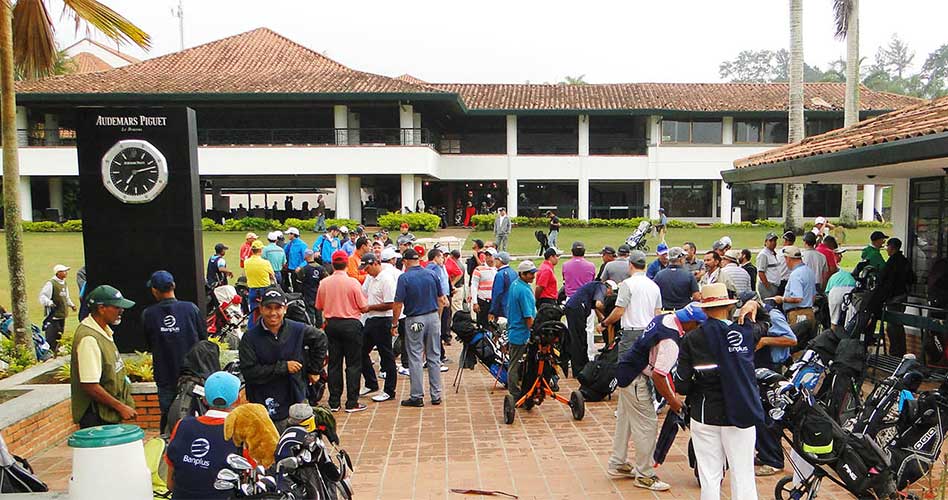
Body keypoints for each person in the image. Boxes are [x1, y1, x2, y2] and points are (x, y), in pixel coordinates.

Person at [675, 283, 764, 500]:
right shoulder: (745, 331)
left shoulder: (692, 339)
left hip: (705, 412)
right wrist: (755, 304)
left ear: (704, 310)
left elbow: (681, 385)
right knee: (743, 474)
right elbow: (767, 322)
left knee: (709, 476)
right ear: (729, 306)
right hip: (741, 411)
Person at [607, 304, 704, 490]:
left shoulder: (665, 319)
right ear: (692, 323)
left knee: (626, 421)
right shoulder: (671, 341)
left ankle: (618, 462)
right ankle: (645, 475)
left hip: (627, 369)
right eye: (700, 325)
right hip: (636, 377)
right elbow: (660, 375)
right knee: (647, 426)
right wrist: (673, 401)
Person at [241, 287, 327, 429]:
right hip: (264, 401)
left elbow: (320, 339)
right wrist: (283, 367)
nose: (273, 313)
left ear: (285, 309)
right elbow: (249, 372)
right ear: (261, 309)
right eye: (268, 308)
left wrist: (314, 370)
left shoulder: (297, 329)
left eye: (278, 308)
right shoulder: (250, 338)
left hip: (296, 396)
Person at [142, 271, 206, 431]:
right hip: (192, 377)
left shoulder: (149, 314)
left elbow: (148, 344)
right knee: (194, 416)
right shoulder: (191, 309)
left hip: (166, 377)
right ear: (174, 286)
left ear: (154, 290)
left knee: (168, 419)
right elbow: (203, 341)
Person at [164, 371, 243, 500]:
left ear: (204, 399)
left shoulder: (182, 425)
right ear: (238, 400)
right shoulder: (240, 431)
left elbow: (170, 484)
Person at [741, 296, 797, 477]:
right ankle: (764, 453)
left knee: (768, 415)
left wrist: (764, 341)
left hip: (771, 369)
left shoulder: (774, 316)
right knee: (758, 414)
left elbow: (791, 340)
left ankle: (773, 460)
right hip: (759, 368)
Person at [70, 285, 137, 428]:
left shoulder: (103, 331)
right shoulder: (89, 339)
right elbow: (90, 385)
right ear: (101, 308)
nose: (121, 311)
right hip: (96, 418)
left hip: (106, 414)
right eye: (117, 307)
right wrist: (121, 407)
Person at [315, 250, 368, 413]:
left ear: (332, 264)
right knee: (353, 364)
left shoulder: (325, 283)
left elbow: (319, 305)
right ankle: (352, 401)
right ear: (346, 264)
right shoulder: (352, 283)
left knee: (334, 363)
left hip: (332, 324)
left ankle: (334, 401)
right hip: (351, 324)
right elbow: (364, 306)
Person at [393, 248, 446, 407]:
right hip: (432, 316)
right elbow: (441, 298)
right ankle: (436, 395)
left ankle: (417, 396)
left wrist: (394, 322)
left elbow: (398, 303)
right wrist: (438, 317)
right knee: (434, 356)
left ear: (405, 261)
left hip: (415, 318)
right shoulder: (431, 274)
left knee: (415, 356)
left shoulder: (404, 278)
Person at [599, 250, 662, 354]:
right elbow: (657, 313)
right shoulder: (654, 285)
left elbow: (619, 311)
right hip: (650, 331)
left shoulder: (627, 284)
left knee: (626, 366)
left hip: (631, 332)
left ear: (630, 265)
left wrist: (604, 324)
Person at [358, 252, 399, 403]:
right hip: (370, 319)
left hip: (383, 320)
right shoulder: (371, 278)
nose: (366, 271)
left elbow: (390, 303)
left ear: (375, 263)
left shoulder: (386, 279)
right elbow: (363, 292)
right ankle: (371, 382)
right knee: (360, 350)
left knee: (386, 355)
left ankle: (389, 390)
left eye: (367, 267)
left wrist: (369, 307)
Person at [563, 279, 613, 377]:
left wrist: (606, 321)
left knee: (581, 338)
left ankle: (583, 367)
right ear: (609, 288)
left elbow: (597, 310)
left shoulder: (594, 288)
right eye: (611, 293)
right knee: (578, 340)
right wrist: (609, 313)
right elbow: (599, 305)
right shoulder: (601, 287)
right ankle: (578, 370)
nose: (609, 295)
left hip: (574, 308)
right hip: (576, 308)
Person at [505, 260, 538, 402]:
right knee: (515, 363)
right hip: (521, 333)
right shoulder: (524, 290)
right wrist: (535, 332)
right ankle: (515, 392)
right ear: (522, 274)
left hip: (515, 330)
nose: (533, 276)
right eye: (530, 274)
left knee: (515, 362)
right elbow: (528, 316)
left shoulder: (516, 285)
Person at [877, 238, 915, 356]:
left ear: (892, 248)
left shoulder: (892, 262)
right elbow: (912, 278)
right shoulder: (904, 261)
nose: (886, 249)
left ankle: (895, 354)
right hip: (902, 296)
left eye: (887, 246)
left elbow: (884, 279)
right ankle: (899, 352)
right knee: (897, 325)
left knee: (893, 327)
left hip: (894, 298)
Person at [773, 246, 816, 325]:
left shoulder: (796, 274)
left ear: (789, 258)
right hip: (810, 312)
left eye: (785, 259)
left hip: (798, 314)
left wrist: (782, 299)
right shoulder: (809, 271)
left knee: (797, 337)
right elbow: (813, 296)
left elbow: (797, 298)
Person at [39, 264, 76, 351]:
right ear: (58, 273)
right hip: (53, 314)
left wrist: (72, 305)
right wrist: (49, 303)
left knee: (60, 333)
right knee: (52, 334)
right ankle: (51, 349)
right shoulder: (51, 283)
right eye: (64, 271)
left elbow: (66, 297)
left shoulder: (64, 283)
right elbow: (43, 296)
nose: (66, 273)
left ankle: (57, 349)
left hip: (62, 314)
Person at [426, 248, 453, 368]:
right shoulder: (434, 268)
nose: (443, 259)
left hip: (440, 298)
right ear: (435, 258)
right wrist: (442, 297)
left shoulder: (437, 267)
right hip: (438, 300)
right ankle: (437, 355)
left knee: (439, 326)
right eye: (441, 257)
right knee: (436, 327)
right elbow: (438, 284)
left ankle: (438, 354)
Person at [244, 240, 276, 324]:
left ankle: (251, 329)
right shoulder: (265, 263)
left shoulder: (246, 262)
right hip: (264, 289)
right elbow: (272, 275)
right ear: (260, 250)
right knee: (266, 312)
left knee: (253, 312)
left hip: (252, 289)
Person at [296, 249, 326, 326]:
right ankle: (319, 326)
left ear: (306, 257)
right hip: (318, 293)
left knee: (310, 311)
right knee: (318, 311)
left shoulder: (304, 269)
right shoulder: (321, 268)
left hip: (308, 293)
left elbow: (299, 280)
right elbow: (326, 279)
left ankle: (311, 326)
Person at [470, 249, 496, 327]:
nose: (488, 258)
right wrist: (475, 302)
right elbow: (474, 285)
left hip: (494, 301)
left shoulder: (498, 269)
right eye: (486, 255)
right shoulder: (479, 269)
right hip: (483, 301)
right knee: (482, 325)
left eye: (490, 255)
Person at [826, 263, 857, 329]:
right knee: (850, 319)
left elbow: (827, 292)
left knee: (834, 320)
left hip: (835, 292)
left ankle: (833, 332)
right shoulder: (849, 276)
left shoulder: (833, 277)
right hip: (850, 290)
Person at [489, 252, 517, 321]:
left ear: (500, 260)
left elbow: (497, 293)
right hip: (513, 306)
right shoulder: (514, 272)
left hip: (502, 308)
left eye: (496, 259)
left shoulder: (500, 274)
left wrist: (492, 311)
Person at [757, 232, 782, 300]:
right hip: (768, 287)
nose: (773, 243)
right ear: (765, 242)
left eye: (775, 241)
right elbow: (761, 273)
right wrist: (768, 287)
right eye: (771, 241)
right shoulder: (763, 254)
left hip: (775, 285)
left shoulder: (773, 253)